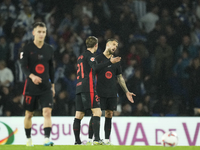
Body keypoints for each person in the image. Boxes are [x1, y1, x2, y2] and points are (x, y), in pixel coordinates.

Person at [73, 36, 121, 145]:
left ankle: (77, 142)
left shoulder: (80, 56)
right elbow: (95, 68)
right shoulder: (91, 56)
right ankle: (96, 139)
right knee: (97, 111)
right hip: (88, 87)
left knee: (79, 114)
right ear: (96, 45)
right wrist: (110, 62)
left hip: (79, 87)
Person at [86, 39, 135, 145]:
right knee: (96, 114)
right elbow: (91, 73)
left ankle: (107, 140)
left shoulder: (116, 61)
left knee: (109, 114)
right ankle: (91, 139)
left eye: (116, 46)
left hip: (112, 92)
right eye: (113, 45)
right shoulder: (98, 59)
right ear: (107, 44)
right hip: (99, 91)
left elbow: (120, 77)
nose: (115, 47)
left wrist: (126, 91)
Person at [20, 22, 55, 146]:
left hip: (46, 86)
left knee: (47, 112)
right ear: (33, 32)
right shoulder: (27, 48)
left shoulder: (49, 49)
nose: (41, 34)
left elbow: (51, 69)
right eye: (39, 32)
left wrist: (53, 85)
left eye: (43, 32)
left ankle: (46, 139)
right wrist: (32, 76)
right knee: (29, 114)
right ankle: (29, 139)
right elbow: (23, 66)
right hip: (31, 86)